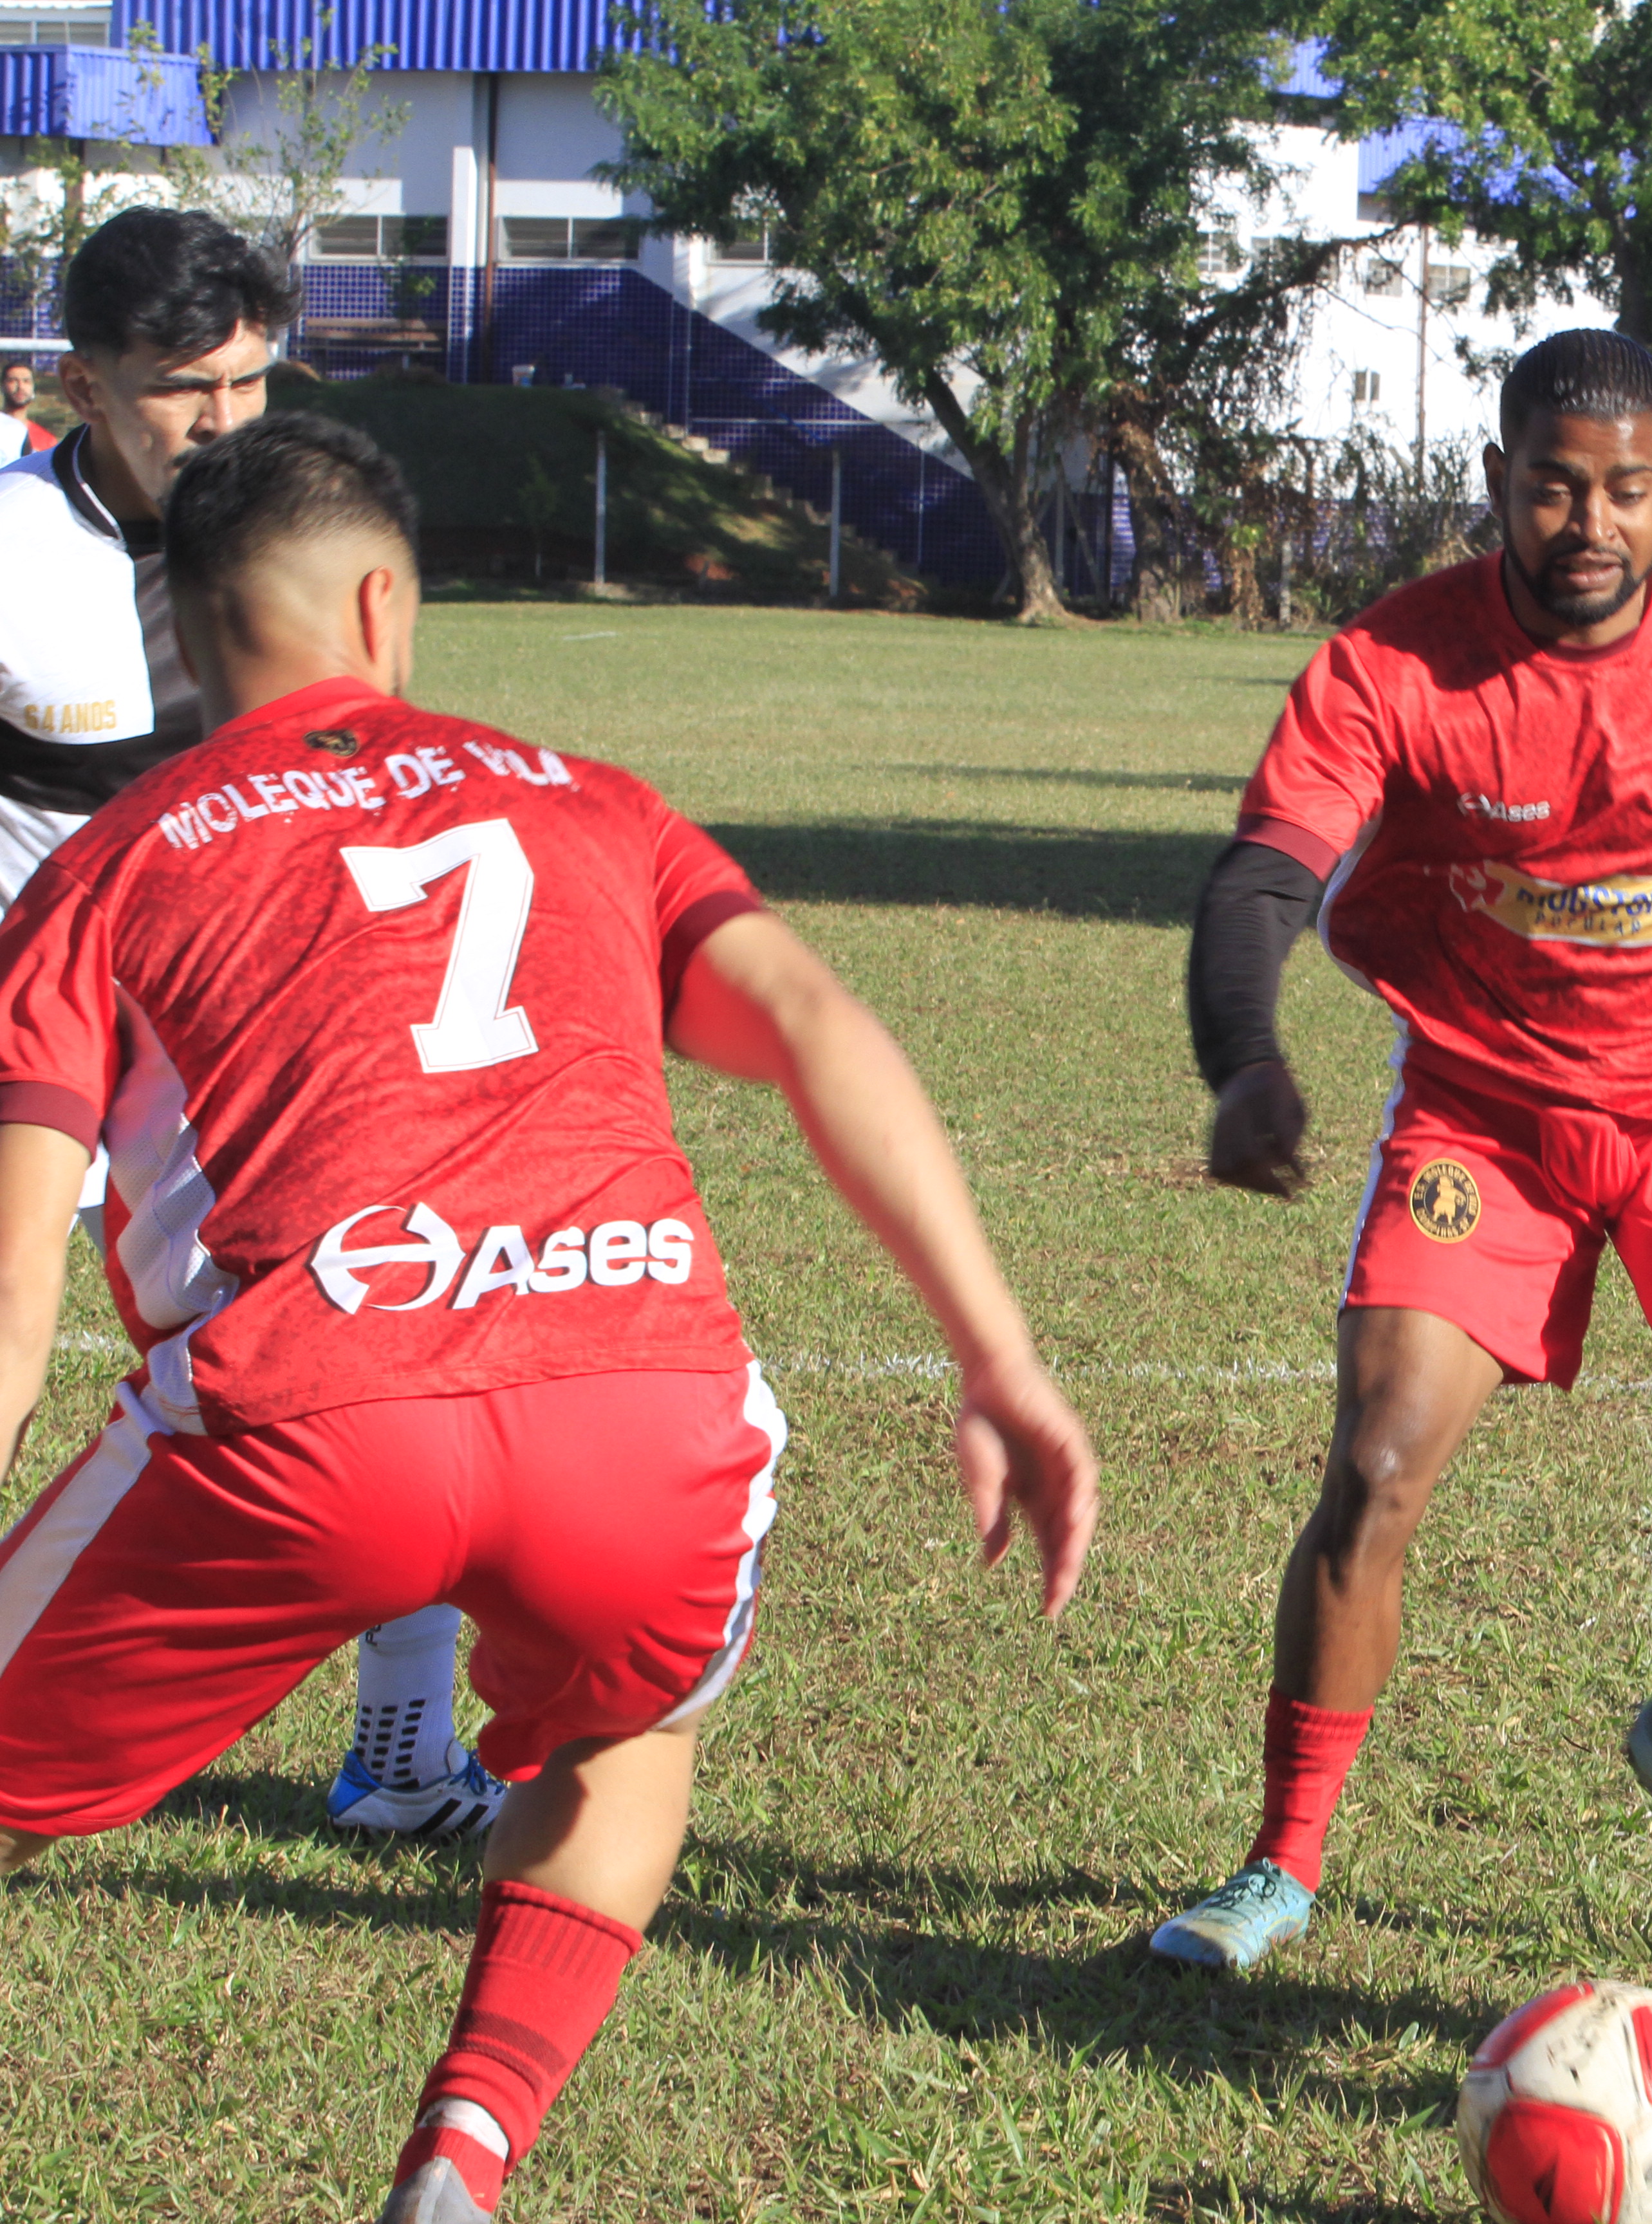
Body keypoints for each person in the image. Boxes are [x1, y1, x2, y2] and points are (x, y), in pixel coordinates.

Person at [0, 414, 1099, 2223]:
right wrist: (999, 1353)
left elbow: (23, 1262)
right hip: (649, 1407)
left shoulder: (106, 864)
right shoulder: (589, 797)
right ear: (384, 599)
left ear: (174, 637)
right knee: (630, 1725)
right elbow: (817, 1026)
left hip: (312, 1412)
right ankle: (467, 2153)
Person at [1162, 328, 1652, 1973]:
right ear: (1499, 480)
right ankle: (1279, 1863)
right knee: (1378, 1466)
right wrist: (1244, 1059)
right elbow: (1264, 876)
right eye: (1553, 486)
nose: (1588, 523)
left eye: (1625, 489)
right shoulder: (1390, 665)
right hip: (1486, 1112)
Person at [3, 205, 497, 1839]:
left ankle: (406, 1751)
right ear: (78, 380)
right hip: (36, 1022)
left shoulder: (300, 535)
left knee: (364, 1352)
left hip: (239, 1030)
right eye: (180, 390)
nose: (224, 426)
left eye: (250, 383)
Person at [2, 361, 55, 454]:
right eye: (13, 381)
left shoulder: (46, 441)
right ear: (3, 386)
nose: (20, 387)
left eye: (26, 381)